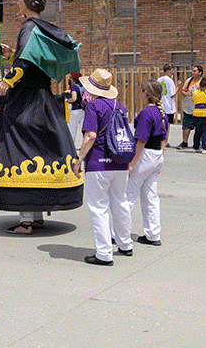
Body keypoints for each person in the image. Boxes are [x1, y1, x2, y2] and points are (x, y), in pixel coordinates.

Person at [0, 0, 82, 234]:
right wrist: (10, 55)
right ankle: (37, 214)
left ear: (28, 0)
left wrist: (8, 79)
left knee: (16, 148)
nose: (17, 2)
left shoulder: (28, 28)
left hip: (26, 100)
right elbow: (32, 60)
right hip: (43, 98)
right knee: (39, 148)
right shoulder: (40, 29)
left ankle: (27, 220)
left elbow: (26, 62)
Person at [73, 69, 127, 266]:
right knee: (120, 202)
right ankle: (125, 243)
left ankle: (104, 253)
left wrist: (79, 159)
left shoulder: (93, 106)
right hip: (120, 161)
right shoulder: (120, 105)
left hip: (99, 161)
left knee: (99, 207)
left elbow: (90, 136)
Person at [123, 79, 169, 251]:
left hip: (145, 155)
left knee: (129, 195)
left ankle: (118, 232)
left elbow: (141, 140)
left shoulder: (146, 113)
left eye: (141, 90)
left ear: (146, 93)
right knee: (150, 196)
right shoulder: (161, 112)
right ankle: (153, 234)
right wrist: (160, 154)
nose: (140, 94)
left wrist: (131, 164)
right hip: (157, 154)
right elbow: (165, 136)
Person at [176, 65, 203, 149]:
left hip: (199, 106)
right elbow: (183, 91)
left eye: (195, 71)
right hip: (189, 106)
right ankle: (184, 142)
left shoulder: (203, 81)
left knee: (200, 125)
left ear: (200, 72)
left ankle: (200, 143)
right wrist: (186, 93)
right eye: (192, 71)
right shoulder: (189, 80)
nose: (193, 72)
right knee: (186, 124)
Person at [66, 72, 86, 148]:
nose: (70, 79)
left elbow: (74, 98)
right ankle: (85, 146)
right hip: (83, 109)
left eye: (71, 77)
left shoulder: (74, 87)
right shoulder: (83, 86)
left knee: (72, 129)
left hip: (75, 110)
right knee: (83, 129)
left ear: (74, 78)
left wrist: (67, 100)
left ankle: (70, 147)